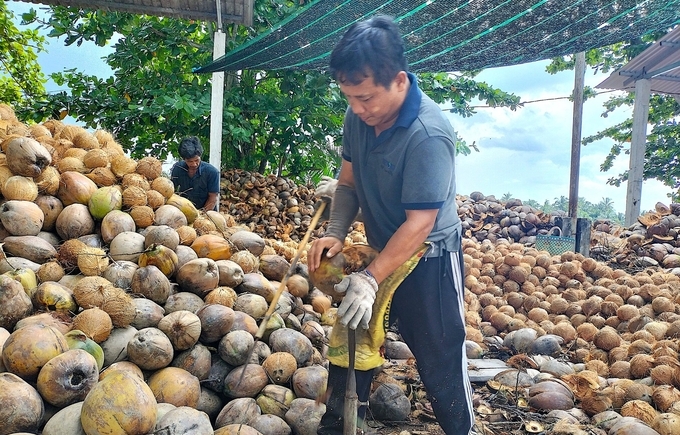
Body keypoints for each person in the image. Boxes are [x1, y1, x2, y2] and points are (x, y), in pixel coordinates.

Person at [307, 15, 474, 435]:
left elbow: (420, 224)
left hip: (429, 256)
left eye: (365, 98)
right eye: (349, 97)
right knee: (353, 335)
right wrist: (335, 232)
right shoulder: (356, 119)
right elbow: (347, 185)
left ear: (399, 81)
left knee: (439, 353)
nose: (357, 109)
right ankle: (340, 425)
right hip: (381, 249)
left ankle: (461, 427)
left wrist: (370, 277)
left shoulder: (428, 135)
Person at [170, 136, 220, 211]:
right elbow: (172, 191)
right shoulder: (178, 169)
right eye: (190, 161)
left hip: (207, 213)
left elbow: (213, 198)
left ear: (200, 156)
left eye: (197, 160)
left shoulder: (212, 172)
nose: (194, 164)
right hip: (184, 212)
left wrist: (202, 215)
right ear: (184, 159)